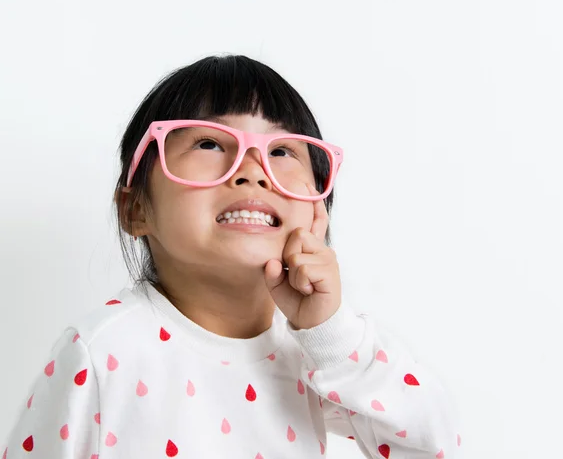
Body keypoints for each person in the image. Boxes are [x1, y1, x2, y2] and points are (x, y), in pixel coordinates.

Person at [2, 54, 463, 458]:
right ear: (136, 208)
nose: (252, 171)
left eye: (281, 150)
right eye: (208, 143)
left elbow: (432, 447)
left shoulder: (319, 356)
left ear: (317, 209)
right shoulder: (101, 354)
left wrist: (332, 334)